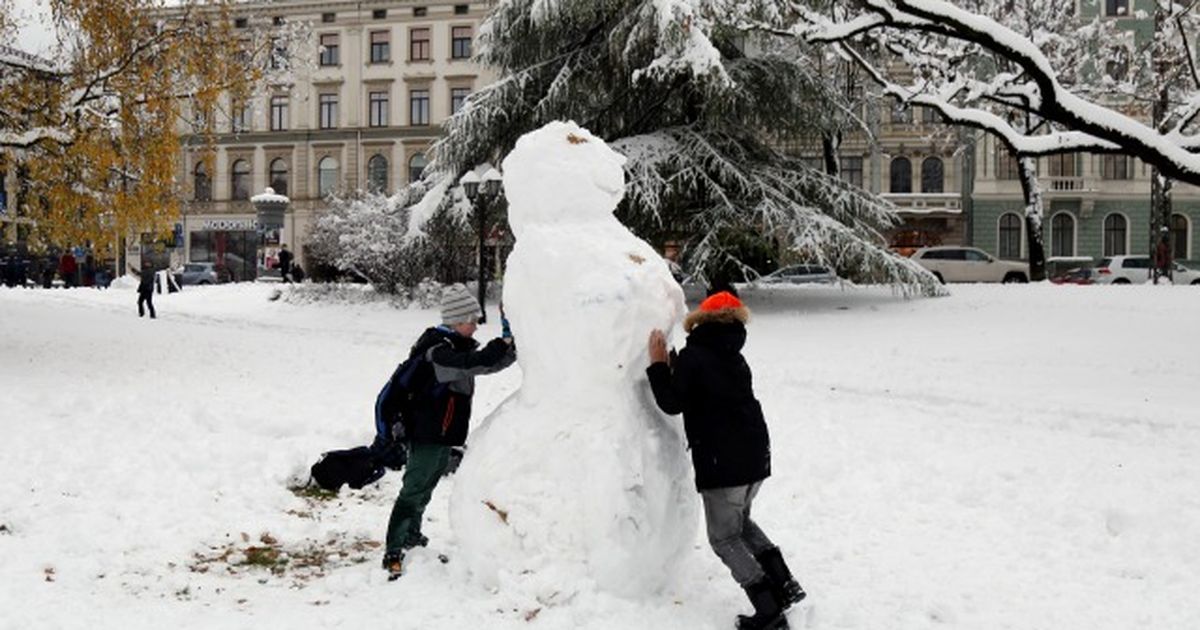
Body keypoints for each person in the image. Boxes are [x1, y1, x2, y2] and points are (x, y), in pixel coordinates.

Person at [646, 291, 804, 630]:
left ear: (701, 321)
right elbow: (708, 389)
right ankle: (785, 585)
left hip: (724, 462)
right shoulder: (733, 354)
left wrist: (658, 366)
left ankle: (768, 610)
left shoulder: (696, 355)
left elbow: (672, 403)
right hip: (753, 454)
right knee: (741, 523)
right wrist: (679, 369)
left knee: (724, 538)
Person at [381, 283, 516, 579]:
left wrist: (510, 342)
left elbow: (486, 365)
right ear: (456, 320)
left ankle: (412, 537)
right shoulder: (438, 352)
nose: (476, 327)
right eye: (472, 321)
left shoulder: (456, 347)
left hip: (442, 432)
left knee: (426, 486)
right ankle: (394, 547)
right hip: (426, 431)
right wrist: (502, 344)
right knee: (414, 487)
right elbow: (474, 362)